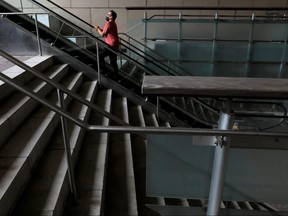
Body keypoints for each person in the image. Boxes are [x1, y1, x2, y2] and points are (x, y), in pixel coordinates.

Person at [95, 10, 120, 77]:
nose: (106, 15)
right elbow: (106, 31)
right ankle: (116, 76)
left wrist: (97, 29)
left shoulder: (109, 23)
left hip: (111, 45)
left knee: (99, 55)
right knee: (113, 62)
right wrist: (100, 29)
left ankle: (103, 71)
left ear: (111, 16)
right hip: (115, 45)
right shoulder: (113, 23)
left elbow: (103, 34)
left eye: (108, 14)